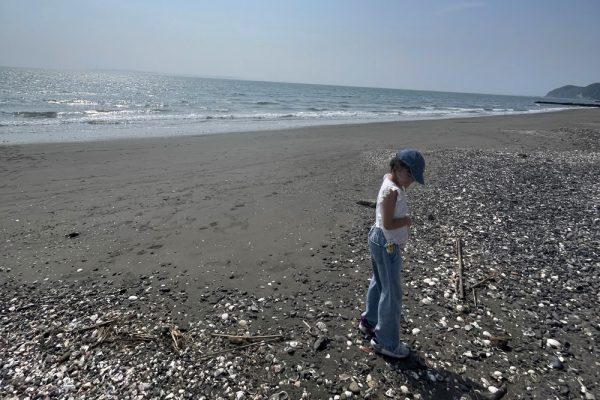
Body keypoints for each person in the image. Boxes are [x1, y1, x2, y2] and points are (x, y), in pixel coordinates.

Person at [358, 149, 425, 359]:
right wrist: (406, 221)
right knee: (392, 292)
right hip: (386, 243)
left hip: (379, 239)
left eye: (414, 177)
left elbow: (390, 182)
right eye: (410, 175)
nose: (411, 181)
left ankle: (369, 321)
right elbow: (388, 223)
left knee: (379, 282)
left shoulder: (390, 179)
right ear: (397, 167)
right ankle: (385, 341)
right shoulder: (392, 190)